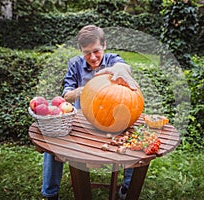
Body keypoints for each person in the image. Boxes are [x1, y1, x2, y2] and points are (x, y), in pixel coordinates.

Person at [41, 25, 139, 200]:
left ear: (104, 46)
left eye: (96, 51)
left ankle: (126, 190)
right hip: (82, 121)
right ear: (81, 50)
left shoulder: (112, 59)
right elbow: (67, 95)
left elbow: (124, 67)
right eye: (87, 53)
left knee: (134, 143)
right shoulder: (75, 64)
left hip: (112, 123)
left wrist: (121, 71)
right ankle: (50, 193)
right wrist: (87, 89)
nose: (92, 57)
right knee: (53, 144)